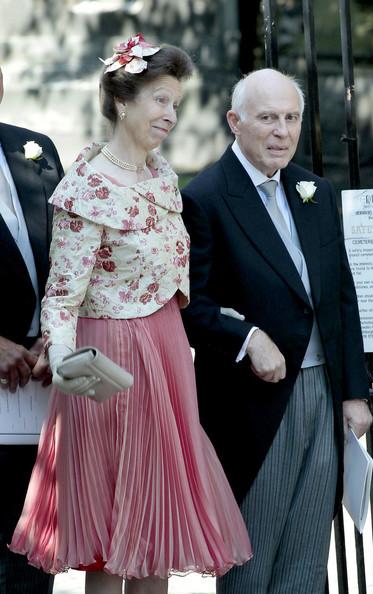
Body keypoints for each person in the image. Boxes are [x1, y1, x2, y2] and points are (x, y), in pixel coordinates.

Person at [10, 35, 252, 594]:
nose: (171, 114)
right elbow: (63, 296)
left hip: (167, 354)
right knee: (111, 541)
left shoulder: (163, 177)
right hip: (110, 362)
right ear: (124, 102)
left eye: (176, 102)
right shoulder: (87, 187)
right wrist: (71, 367)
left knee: (156, 534)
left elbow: (175, 273)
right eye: (161, 100)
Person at [181, 68, 373, 594]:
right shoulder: (205, 197)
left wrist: (355, 392)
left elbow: (342, 297)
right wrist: (246, 339)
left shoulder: (317, 190)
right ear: (234, 122)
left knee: (309, 556)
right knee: (253, 559)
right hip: (254, 403)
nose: (281, 131)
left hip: (323, 393)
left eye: (291, 118)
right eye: (267, 118)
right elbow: (189, 305)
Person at [0, 66, 63, 594]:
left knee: (32, 555)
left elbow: (74, 256)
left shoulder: (34, 149)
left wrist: (55, 332)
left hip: (38, 389)